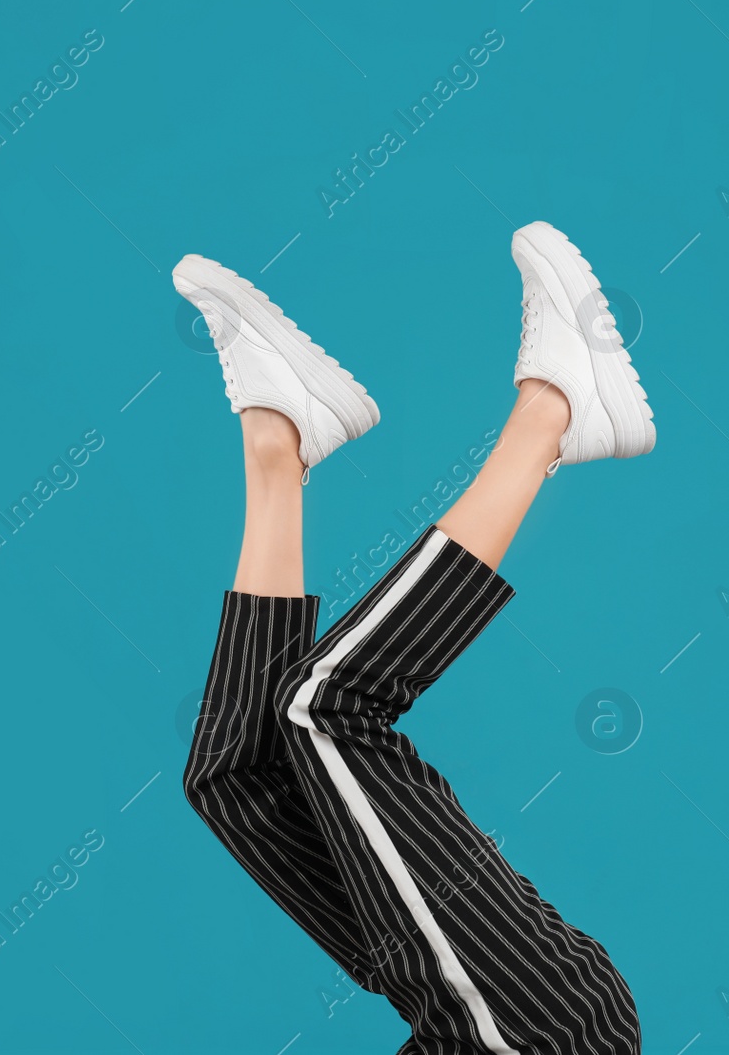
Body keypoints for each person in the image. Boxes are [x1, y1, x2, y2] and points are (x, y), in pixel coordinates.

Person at [179, 221, 654, 1055]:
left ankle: (279, 443)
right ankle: (556, 413)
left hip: (474, 1027)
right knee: (325, 710)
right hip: (543, 1034)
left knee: (237, 777)